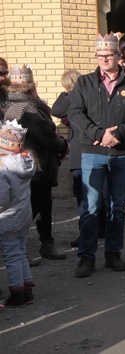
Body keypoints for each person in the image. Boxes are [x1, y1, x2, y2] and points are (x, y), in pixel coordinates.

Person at [68, 33, 125, 278]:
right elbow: (75, 113)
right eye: (100, 56)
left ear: (118, 56)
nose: (104, 59)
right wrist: (99, 133)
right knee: (91, 206)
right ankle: (86, 257)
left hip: (123, 154)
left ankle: (114, 254)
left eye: (108, 55)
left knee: (118, 206)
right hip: (93, 153)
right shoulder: (84, 83)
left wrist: (118, 134)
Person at [4, 65, 70, 261]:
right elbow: (46, 136)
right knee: (33, 208)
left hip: (31, 164)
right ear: (30, 87)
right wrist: (63, 145)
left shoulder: (13, 105)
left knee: (42, 205)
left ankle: (44, 245)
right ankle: (18, 251)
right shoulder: (27, 108)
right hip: (34, 165)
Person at [51, 70, 109, 249]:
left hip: (86, 150)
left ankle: (91, 231)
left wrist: (70, 93)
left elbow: (57, 110)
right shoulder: (80, 97)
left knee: (87, 196)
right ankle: (97, 229)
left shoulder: (82, 98)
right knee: (92, 194)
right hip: (84, 151)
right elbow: (56, 110)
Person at [0, 120, 37, 308]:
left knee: (11, 256)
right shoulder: (24, 161)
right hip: (23, 216)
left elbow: (1, 200)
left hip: (7, 220)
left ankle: (17, 293)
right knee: (20, 252)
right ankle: (27, 288)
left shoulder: (3, 168)